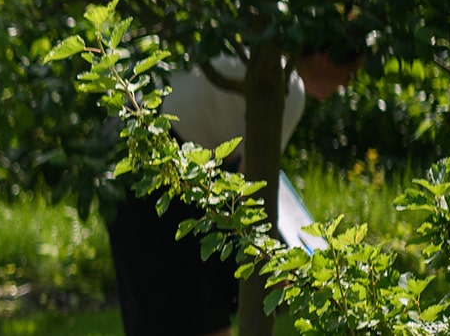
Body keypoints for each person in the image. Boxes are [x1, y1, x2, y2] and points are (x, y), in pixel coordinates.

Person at [106, 48, 363, 336]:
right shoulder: (287, 88)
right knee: (187, 307)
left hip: (141, 140)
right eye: (349, 74)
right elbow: (252, 187)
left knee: (180, 303)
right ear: (324, 57)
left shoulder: (257, 55)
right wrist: (272, 260)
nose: (345, 85)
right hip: (156, 157)